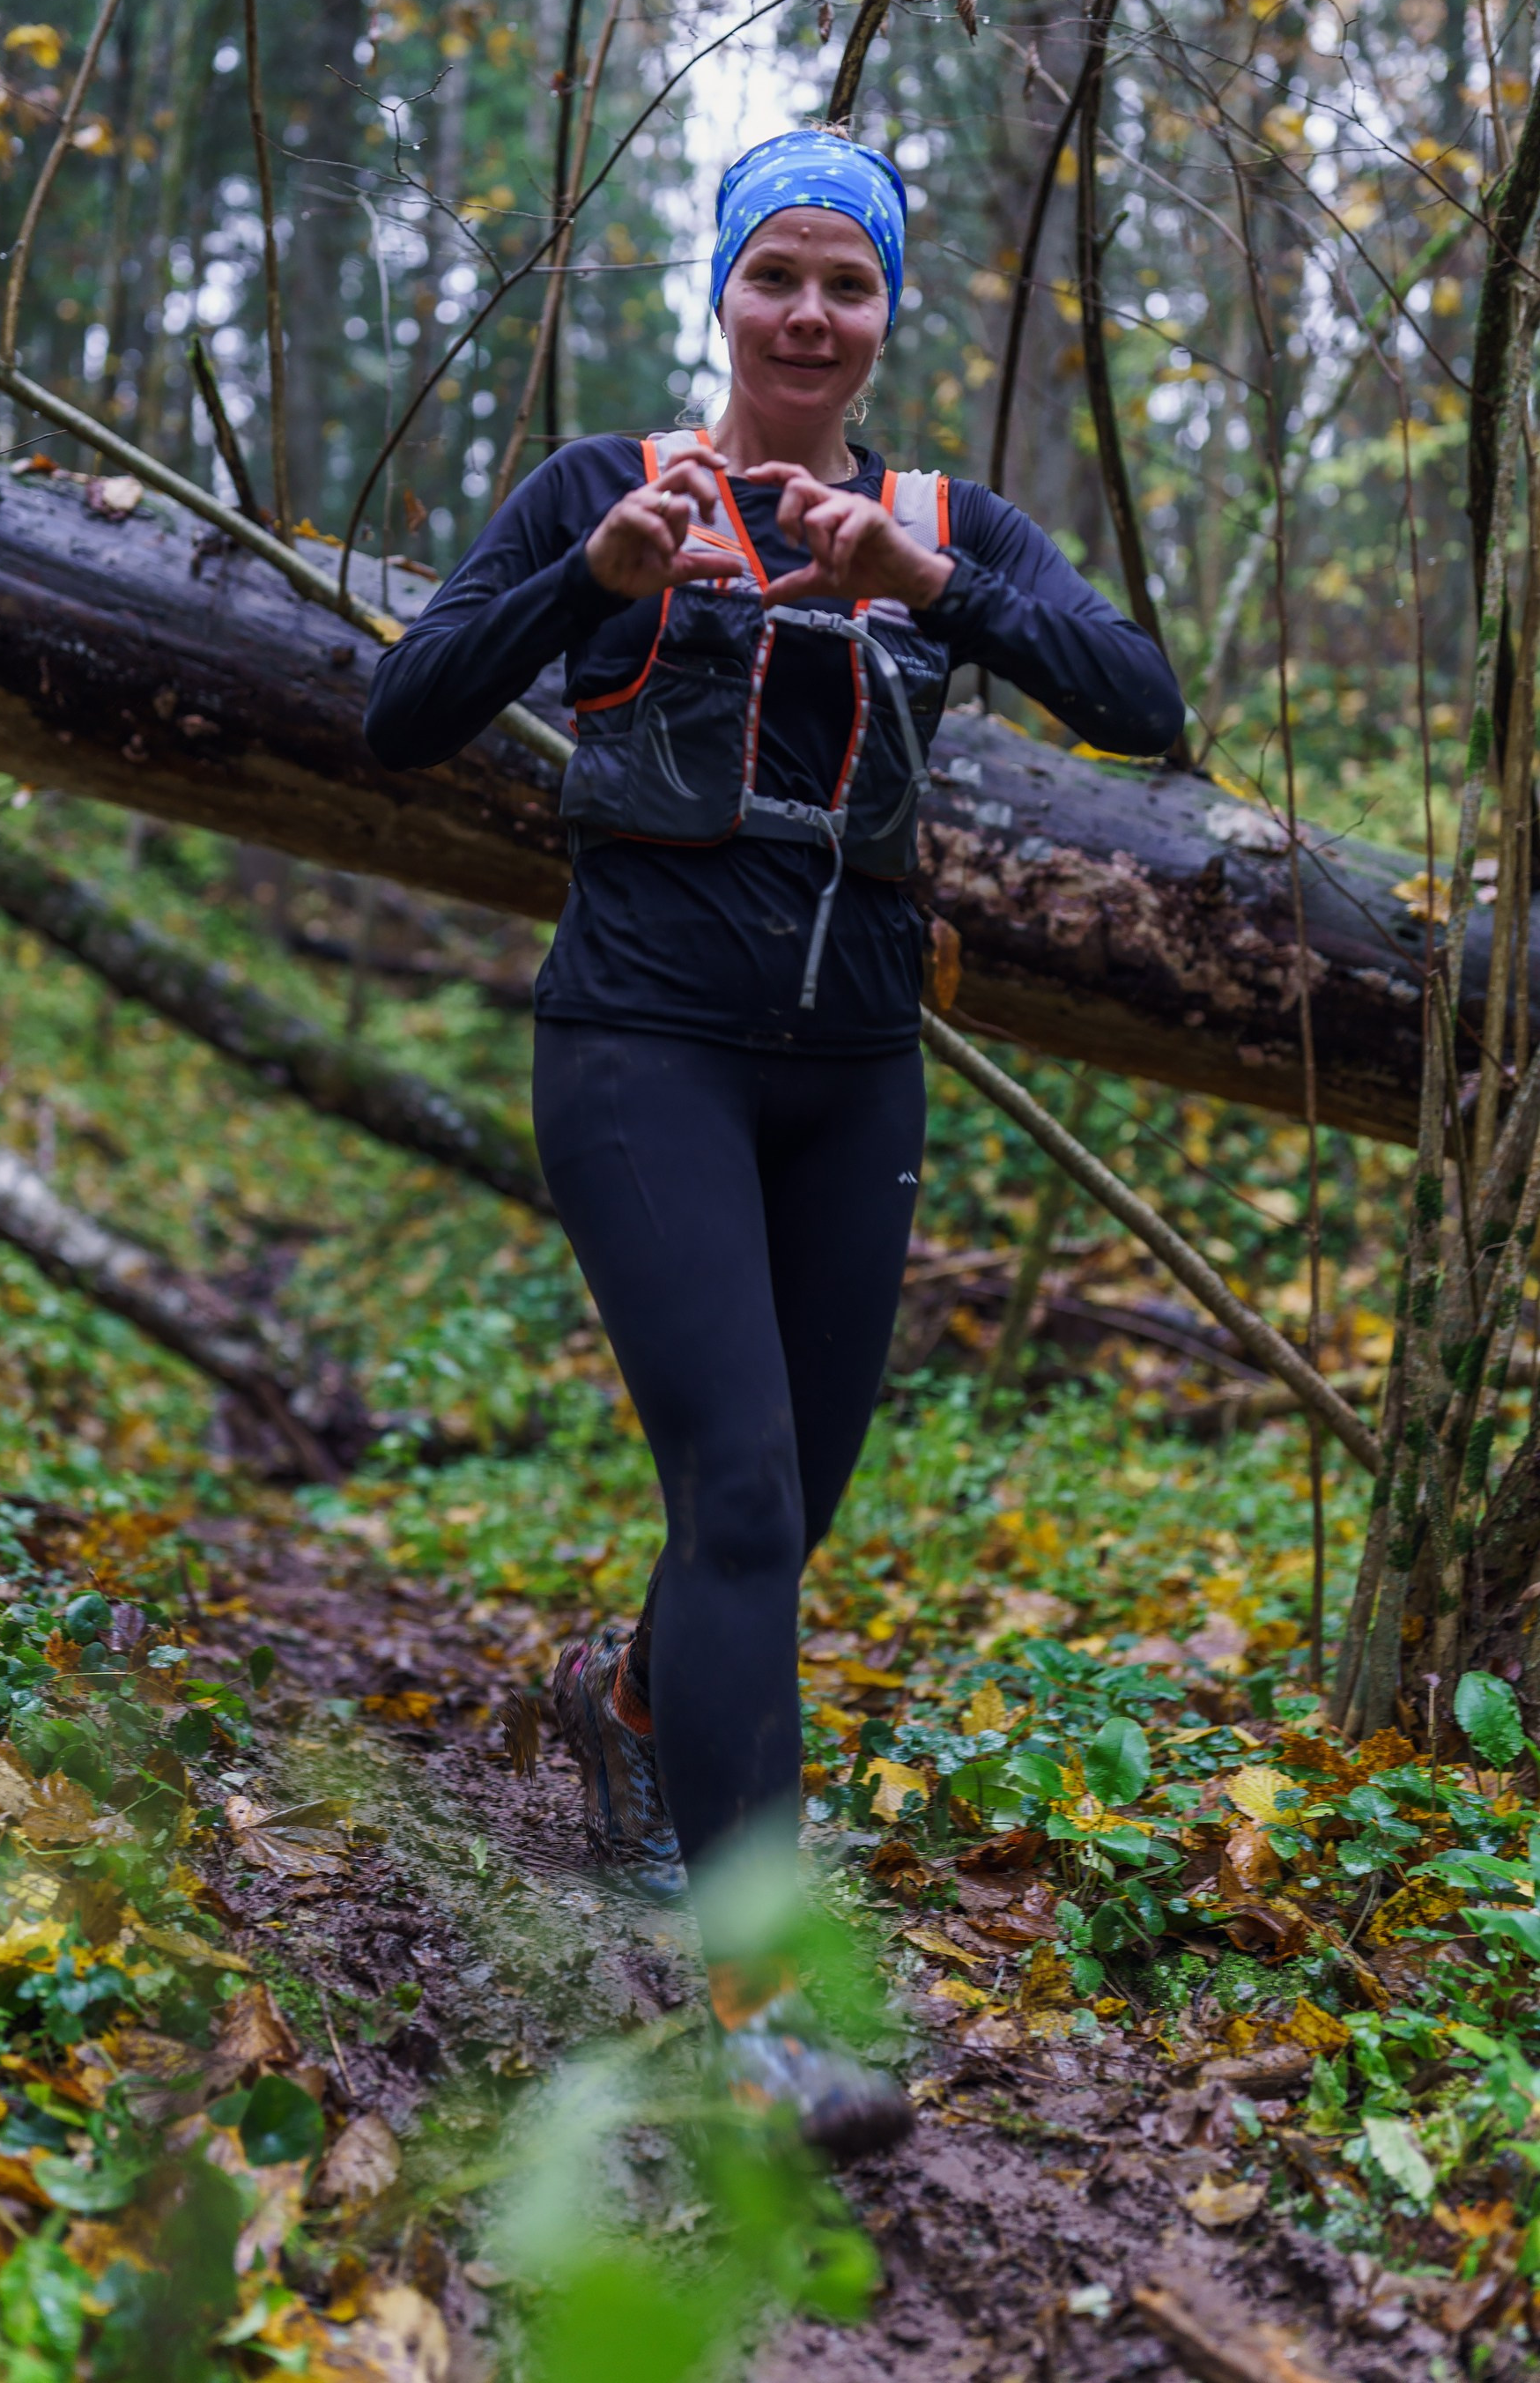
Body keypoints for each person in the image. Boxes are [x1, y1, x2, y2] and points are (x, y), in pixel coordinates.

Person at [366, 130, 1184, 2155]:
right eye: (777, 277)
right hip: (646, 1046)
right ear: (720, 293)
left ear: (887, 313)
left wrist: (944, 588)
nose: (810, 315)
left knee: (788, 1515)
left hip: (855, 1071)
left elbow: (1146, 704)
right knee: (736, 1499)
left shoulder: (933, 520)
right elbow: (399, 714)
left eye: (849, 284)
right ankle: (764, 2015)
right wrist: (596, 580)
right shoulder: (605, 488)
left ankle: (633, 1704)